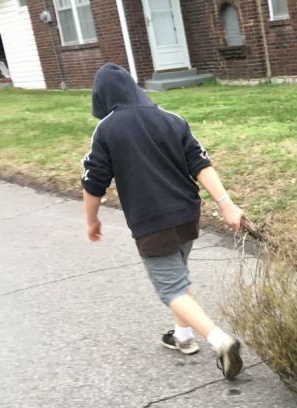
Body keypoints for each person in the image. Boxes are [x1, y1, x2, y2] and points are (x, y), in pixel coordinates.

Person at [81, 63, 244, 380]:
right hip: (187, 216)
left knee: (171, 289)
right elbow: (200, 163)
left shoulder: (107, 129)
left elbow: (93, 181)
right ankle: (183, 337)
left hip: (152, 222)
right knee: (178, 275)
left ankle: (220, 341)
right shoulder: (172, 119)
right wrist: (227, 205)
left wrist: (92, 220)